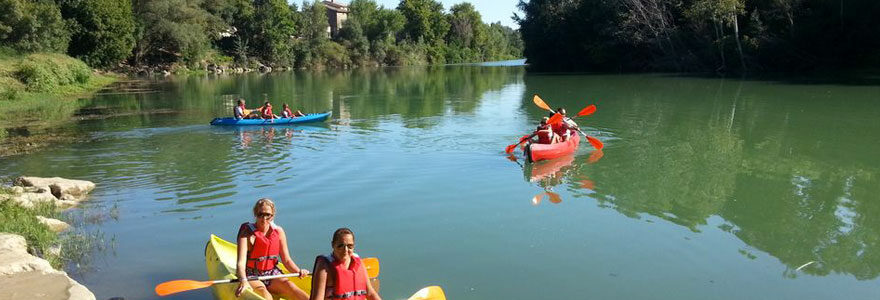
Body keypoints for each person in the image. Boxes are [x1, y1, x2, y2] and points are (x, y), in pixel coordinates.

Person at [236, 198, 310, 300]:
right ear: (255, 214)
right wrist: (243, 281)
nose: (264, 218)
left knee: (292, 288)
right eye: (260, 214)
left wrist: (298, 271)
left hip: (271, 273)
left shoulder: (278, 232)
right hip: (251, 273)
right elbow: (240, 263)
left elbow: (287, 260)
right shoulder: (246, 234)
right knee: (266, 296)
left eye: (268, 215)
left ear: (273, 215)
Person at [309, 228, 381, 300]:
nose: (345, 250)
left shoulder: (359, 263)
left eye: (350, 246)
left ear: (354, 246)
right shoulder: (324, 266)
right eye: (340, 246)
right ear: (333, 245)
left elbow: (370, 293)